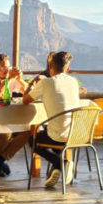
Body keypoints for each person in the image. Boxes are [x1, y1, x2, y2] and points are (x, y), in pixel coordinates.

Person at [23, 50, 81, 188]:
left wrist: (32, 85)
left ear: (50, 66)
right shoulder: (73, 82)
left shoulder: (46, 83)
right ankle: (58, 166)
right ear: (67, 68)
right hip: (77, 134)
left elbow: (25, 100)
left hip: (58, 135)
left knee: (33, 140)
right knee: (54, 131)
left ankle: (61, 163)